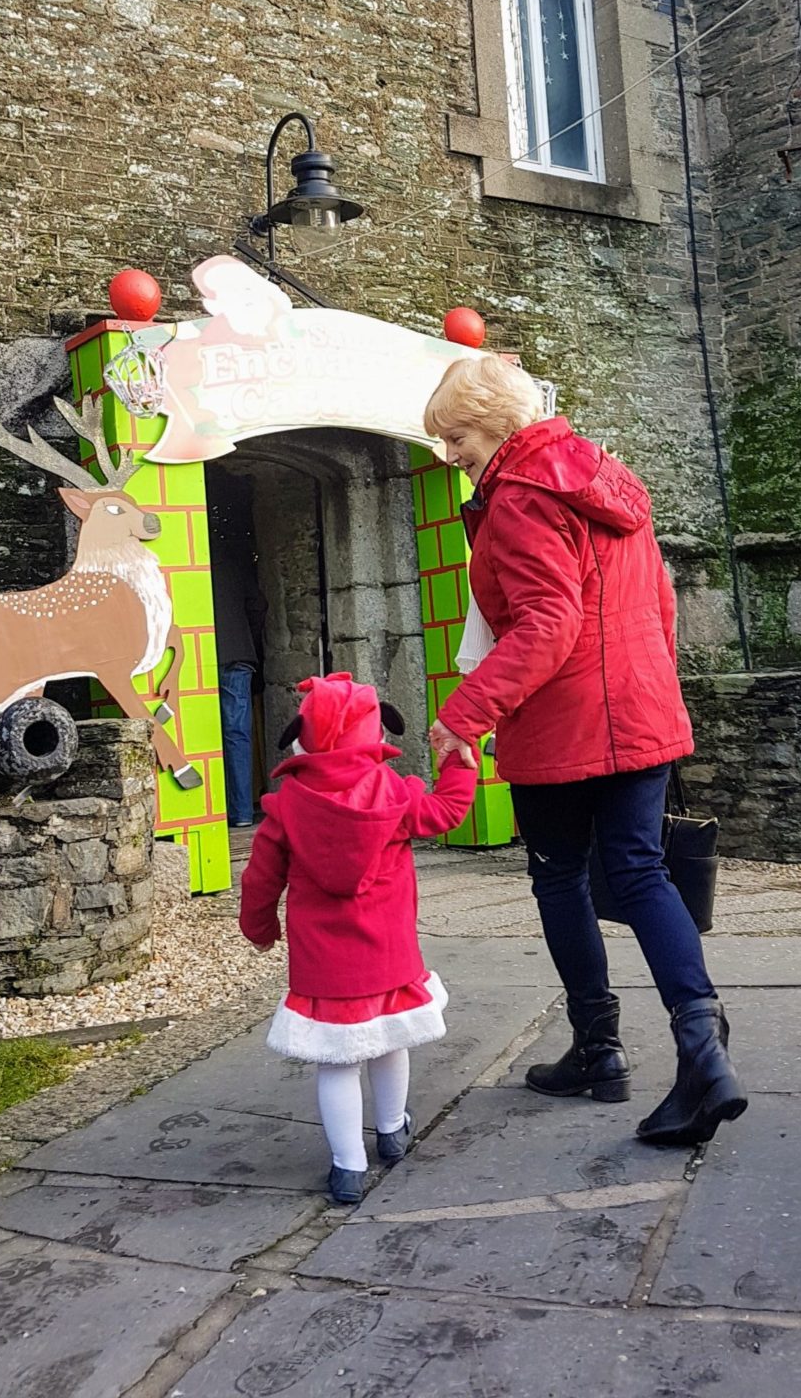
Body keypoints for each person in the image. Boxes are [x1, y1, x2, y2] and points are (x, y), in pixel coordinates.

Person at [424, 354, 747, 1149]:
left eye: (457, 436)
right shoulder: (606, 477)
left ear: (497, 423)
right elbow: (661, 600)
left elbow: (547, 622)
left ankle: (599, 1049)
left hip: (562, 722)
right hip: (638, 707)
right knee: (640, 873)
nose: (449, 453)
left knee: (560, 876)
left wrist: (464, 715)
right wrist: (654, 692)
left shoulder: (519, 497)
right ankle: (702, 1046)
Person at [238, 671, 477, 1204]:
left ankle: (348, 1167)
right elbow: (447, 811)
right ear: (375, 732)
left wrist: (259, 927)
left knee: (337, 1061)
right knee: (389, 1041)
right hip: (388, 954)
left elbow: (260, 879)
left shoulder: (288, 806)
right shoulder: (394, 793)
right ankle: (392, 1130)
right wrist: (458, 764)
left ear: (302, 738)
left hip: (324, 964)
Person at [211, 475, 268, 826]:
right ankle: (243, 812)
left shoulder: (185, 556)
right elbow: (257, 605)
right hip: (238, 653)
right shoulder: (234, 559)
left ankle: (207, 812)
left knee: (202, 732)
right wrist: (251, 636)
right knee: (238, 734)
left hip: (198, 656)